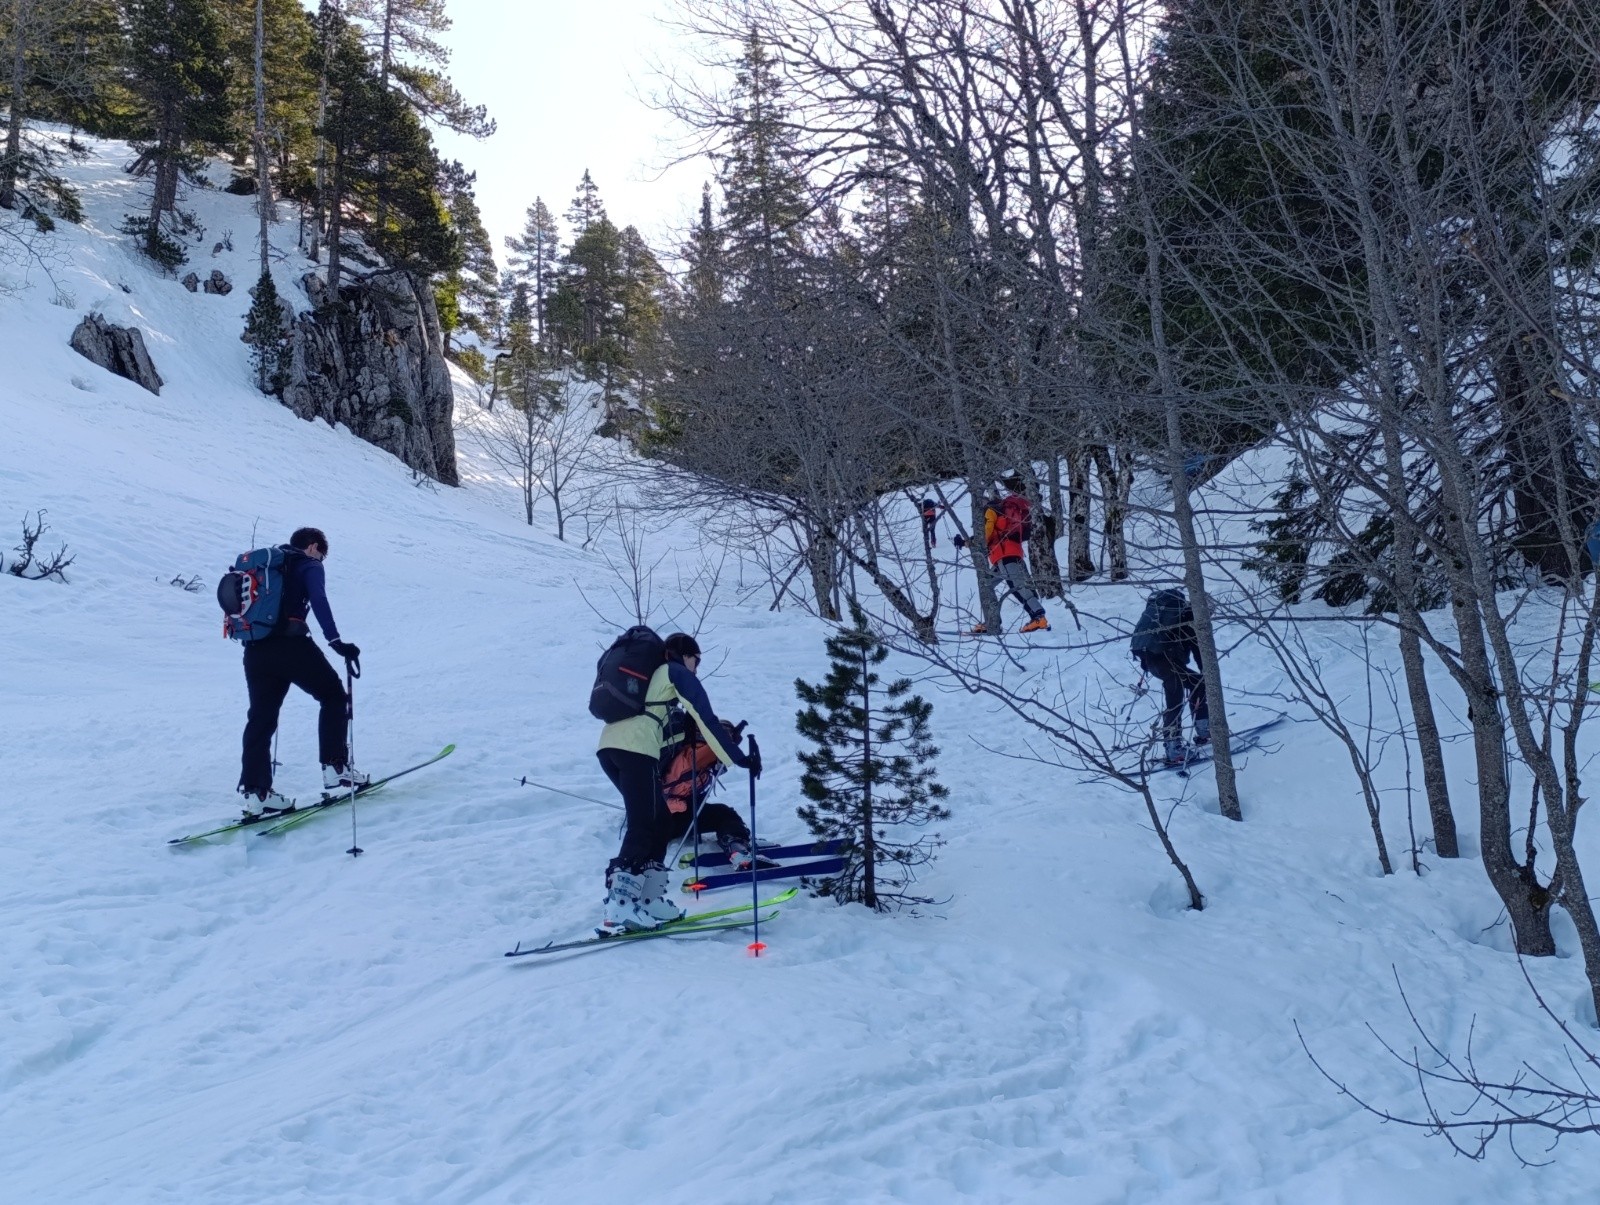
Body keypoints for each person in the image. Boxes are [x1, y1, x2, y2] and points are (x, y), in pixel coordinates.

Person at [596, 633, 758, 934]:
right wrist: (740, 758)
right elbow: (706, 720)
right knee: (644, 823)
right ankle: (620, 902)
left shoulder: (650, 678)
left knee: (659, 821)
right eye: (696, 661)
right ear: (686, 655)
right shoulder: (674, 671)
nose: (696, 668)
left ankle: (649, 898)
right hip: (636, 749)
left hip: (610, 748)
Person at [237, 527, 366, 817]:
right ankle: (336, 767)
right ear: (312, 546)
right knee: (333, 695)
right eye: (321, 554)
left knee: (261, 718)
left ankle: (257, 793)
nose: (321, 560)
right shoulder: (308, 565)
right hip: (291, 645)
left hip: (255, 650)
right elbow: (319, 600)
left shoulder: (268, 567)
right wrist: (336, 642)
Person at [659, 715, 757, 869]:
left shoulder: (690, 752)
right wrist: (731, 741)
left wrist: (731, 741)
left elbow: (720, 757)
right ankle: (736, 847)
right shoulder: (693, 753)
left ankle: (735, 841)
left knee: (721, 812)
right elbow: (720, 748)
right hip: (673, 818)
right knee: (724, 814)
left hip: (671, 817)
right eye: (721, 732)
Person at [1130, 586, 1210, 765]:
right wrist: (1207, 669)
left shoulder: (1161, 614)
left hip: (1150, 659)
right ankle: (1175, 749)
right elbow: (1197, 647)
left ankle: (1201, 731)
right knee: (1176, 698)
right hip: (1166, 661)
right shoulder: (1187, 616)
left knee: (1196, 683)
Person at [970, 476, 1050, 635]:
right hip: (1014, 554)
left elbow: (986, 534)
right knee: (987, 584)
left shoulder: (990, 510)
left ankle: (1038, 617)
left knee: (1018, 586)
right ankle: (992, 622)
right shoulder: (1003, 510)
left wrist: (971, 543)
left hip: (1004, 555)